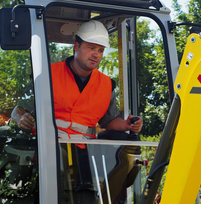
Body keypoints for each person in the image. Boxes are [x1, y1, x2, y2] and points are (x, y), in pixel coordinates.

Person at [12, 20, 142, 140]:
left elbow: (109, 122)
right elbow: (18, 111)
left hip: (86, 152)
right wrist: (21, 119)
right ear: (76, 46)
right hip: (47, 148)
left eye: (100, 50)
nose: (96, 54)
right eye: (91, 48)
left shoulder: (107, 85)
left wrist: (127, 124)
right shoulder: (47, 75)